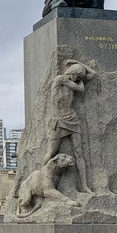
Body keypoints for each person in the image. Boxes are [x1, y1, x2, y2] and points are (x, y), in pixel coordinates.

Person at [45, 60, 96, 193]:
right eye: (78, 76)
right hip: (59, 120)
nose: (79, 79)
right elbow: (80, 88)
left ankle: (84, 185)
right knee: (51, 152)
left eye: (80, 78)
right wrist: (80, 79)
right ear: (72, 73)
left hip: (73, 119)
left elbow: (93, 73)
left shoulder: (73, 82)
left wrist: (78, 62)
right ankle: (42, 176)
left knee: (79, 153)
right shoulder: (60, 79)